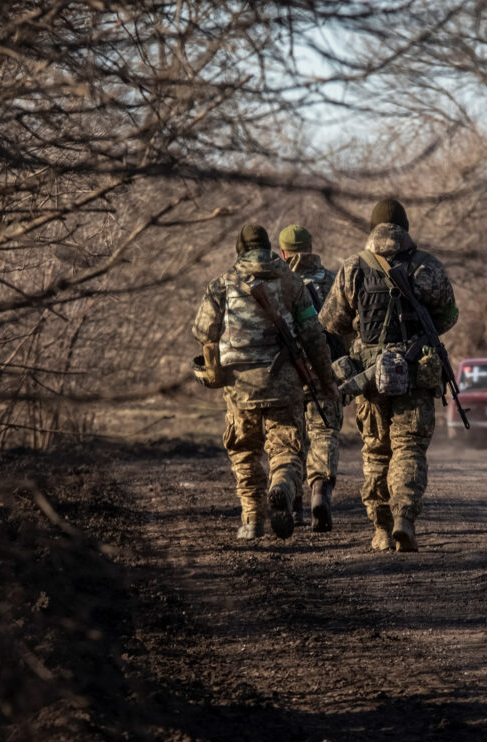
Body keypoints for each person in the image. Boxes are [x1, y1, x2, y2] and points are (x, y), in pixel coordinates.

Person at [318, 199, 458, 552]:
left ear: (373, 228)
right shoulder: (428, 266)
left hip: (369, 378)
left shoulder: (353, 267)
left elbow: (331, 322)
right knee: (409, 448)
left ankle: (380, 529)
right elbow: (448, 316)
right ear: (405, 227)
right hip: (415, 375)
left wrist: (363, 339)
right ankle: (404, 519)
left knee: (377, 453)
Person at [192, 224, 339, 540]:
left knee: (244, 451)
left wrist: (214, 373)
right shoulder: (290, 281)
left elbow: (204, 333)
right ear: (269, 247)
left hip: (239, 387)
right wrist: (326, 381)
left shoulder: (222, 284)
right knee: (287, 448)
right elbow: (314, 335)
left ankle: (253, 520)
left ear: (239, 250)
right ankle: (283, 486)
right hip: (284, 385)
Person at [278, 224, 345, 532]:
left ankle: (292, 503)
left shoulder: (278, 283)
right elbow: (348, 328)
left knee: (290, 438)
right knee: (324, 432)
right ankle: (320, 490)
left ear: (283, 252)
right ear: (311, 247)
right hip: (325, 369)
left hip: (287, 372)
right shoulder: (333, 279)